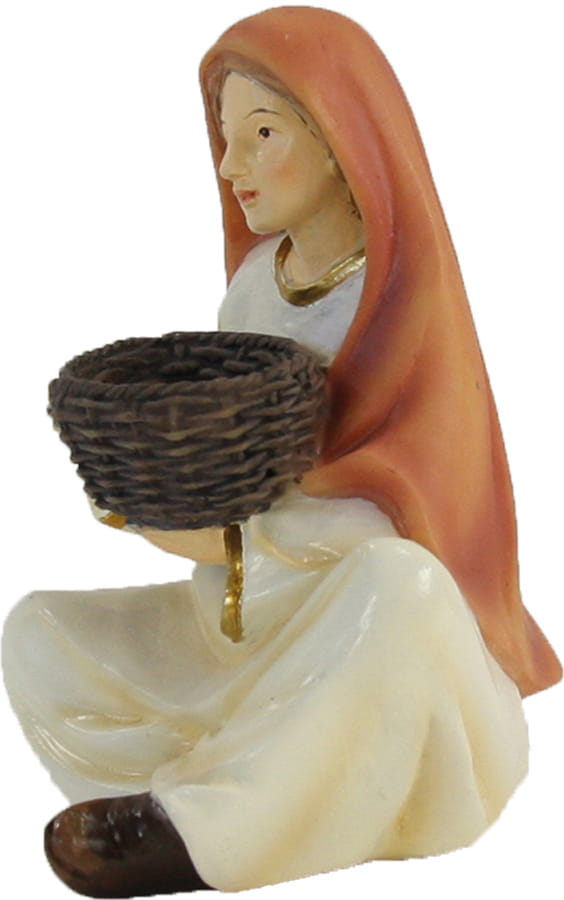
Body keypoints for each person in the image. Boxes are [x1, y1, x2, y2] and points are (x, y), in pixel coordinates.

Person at [2, 7, 561, 898]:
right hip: (248, 628)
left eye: (263, 135)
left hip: (375, 645)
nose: (232, 167)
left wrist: (231, 541)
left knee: (402, 585)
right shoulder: (257, 288)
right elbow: (243, 464)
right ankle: (236, 791)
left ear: (342, 142)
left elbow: (415, 516)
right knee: (38, 633)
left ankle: (209, 833)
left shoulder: (402, 298)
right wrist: (170, 506)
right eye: (226, 139)